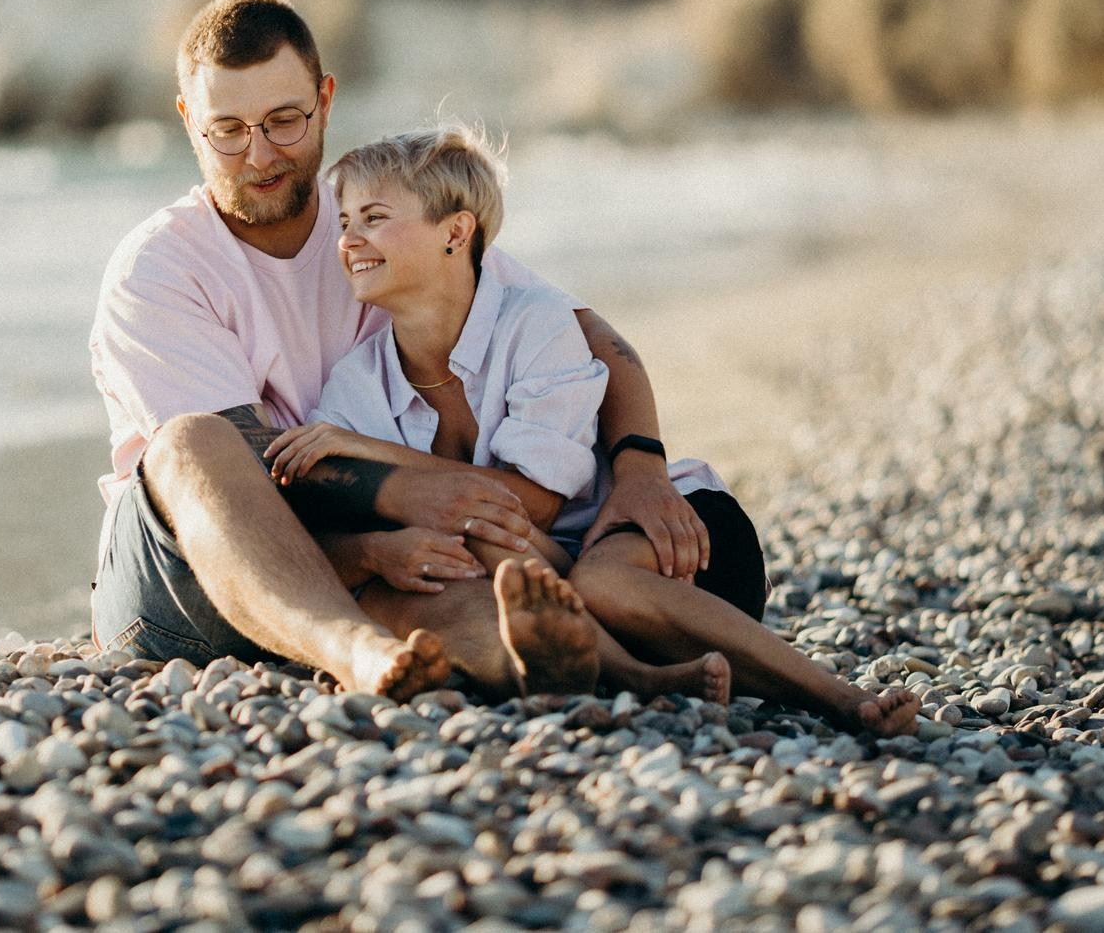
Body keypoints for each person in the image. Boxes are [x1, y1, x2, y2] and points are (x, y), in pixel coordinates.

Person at [86, 0, 802, 703]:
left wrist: (642, 467)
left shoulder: (381, 231)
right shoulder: (161, 268)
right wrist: (412, 493)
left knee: (476, 598)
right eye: (228, 130)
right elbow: (237, 472)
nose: (260, 154)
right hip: (185, 583)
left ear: (325, 100)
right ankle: (356, 653)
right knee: (191, 442)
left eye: (283, 121)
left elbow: (589, 341)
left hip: (379, 561)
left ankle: (571, 669)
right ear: (188, 122)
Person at [263, 127, 921, 731]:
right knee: (436, 567)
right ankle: (641, 677)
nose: (348, 240)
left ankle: (842, 698)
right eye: (345, 222)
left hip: (676, 548)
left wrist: (371, 451)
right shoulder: (357, 380)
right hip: (545, 582)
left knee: (581, 573)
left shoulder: (538, 322)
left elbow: (537, 502)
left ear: (455, 232)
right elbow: (331, 517)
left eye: (374, 218)